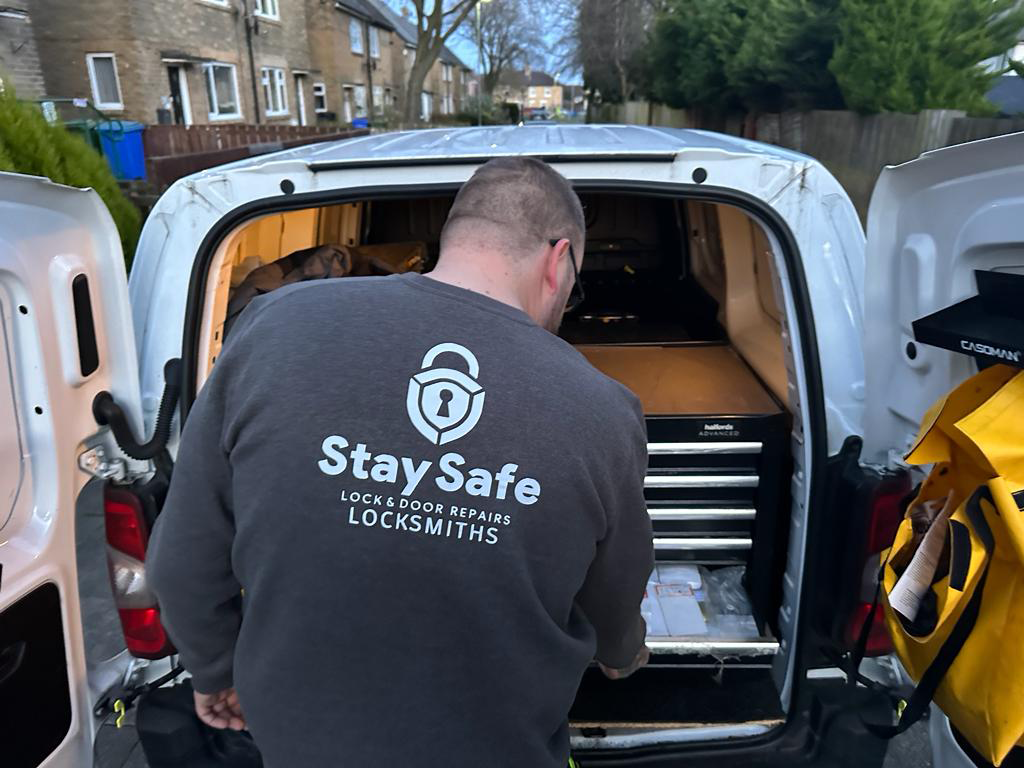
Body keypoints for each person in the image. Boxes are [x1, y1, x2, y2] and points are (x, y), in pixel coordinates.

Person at [148, 156, 654, 767]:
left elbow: (180, 560)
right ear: (559, 259)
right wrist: (623, 653)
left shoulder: (275, 328)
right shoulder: (601, 411)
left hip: (297, 741)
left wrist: (217, 669)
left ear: (456, 234)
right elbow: (615, 593)